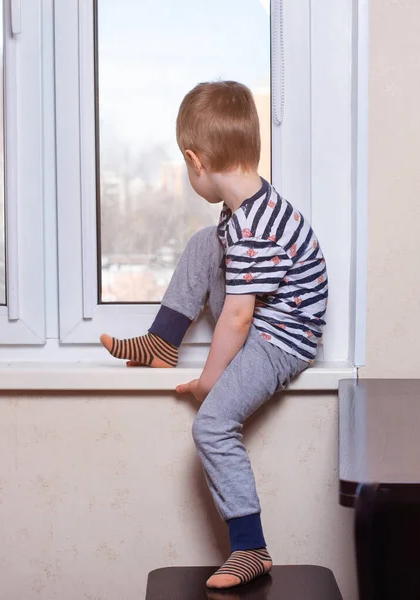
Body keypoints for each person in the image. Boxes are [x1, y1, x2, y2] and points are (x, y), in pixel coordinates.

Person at [100, 81, 328, 590]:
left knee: (212, 425)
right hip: (266, 318)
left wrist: (208, 381)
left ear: (194, 161)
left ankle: (251, 548)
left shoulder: (253, 228)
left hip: (283, 340)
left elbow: (238, 320)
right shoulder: (241, 213)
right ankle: (162, 341)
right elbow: (239, 302)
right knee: (206, 242)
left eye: (186, 169)